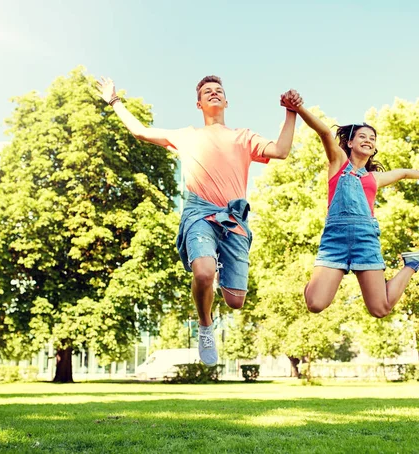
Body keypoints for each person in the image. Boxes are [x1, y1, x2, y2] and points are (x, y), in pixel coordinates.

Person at [96, 75, 301, 365]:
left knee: (235, 301)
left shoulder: (243, 137)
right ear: (199, 103)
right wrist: (114, 101)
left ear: (226, 101)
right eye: (207, 91)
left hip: (233, 218)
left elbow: (280, 151)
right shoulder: (186, 135)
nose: (214, 93)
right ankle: (205, 325)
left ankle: (215, 266)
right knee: (203, 273)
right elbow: (140, 131)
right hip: (199, 213)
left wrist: (290, 112)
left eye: (219, 91)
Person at [280, 94, 419, 318]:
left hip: (366, 239)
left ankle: (411, 264)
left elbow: (401, 174)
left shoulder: (374, 178)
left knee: (380, 309)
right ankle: (317, 281)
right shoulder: (338, 163)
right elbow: (324, 133)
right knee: (314, 303)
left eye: (372, 138)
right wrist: (299, 108)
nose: (368, 140)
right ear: (350, 143)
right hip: (335, 240)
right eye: (362, 136)